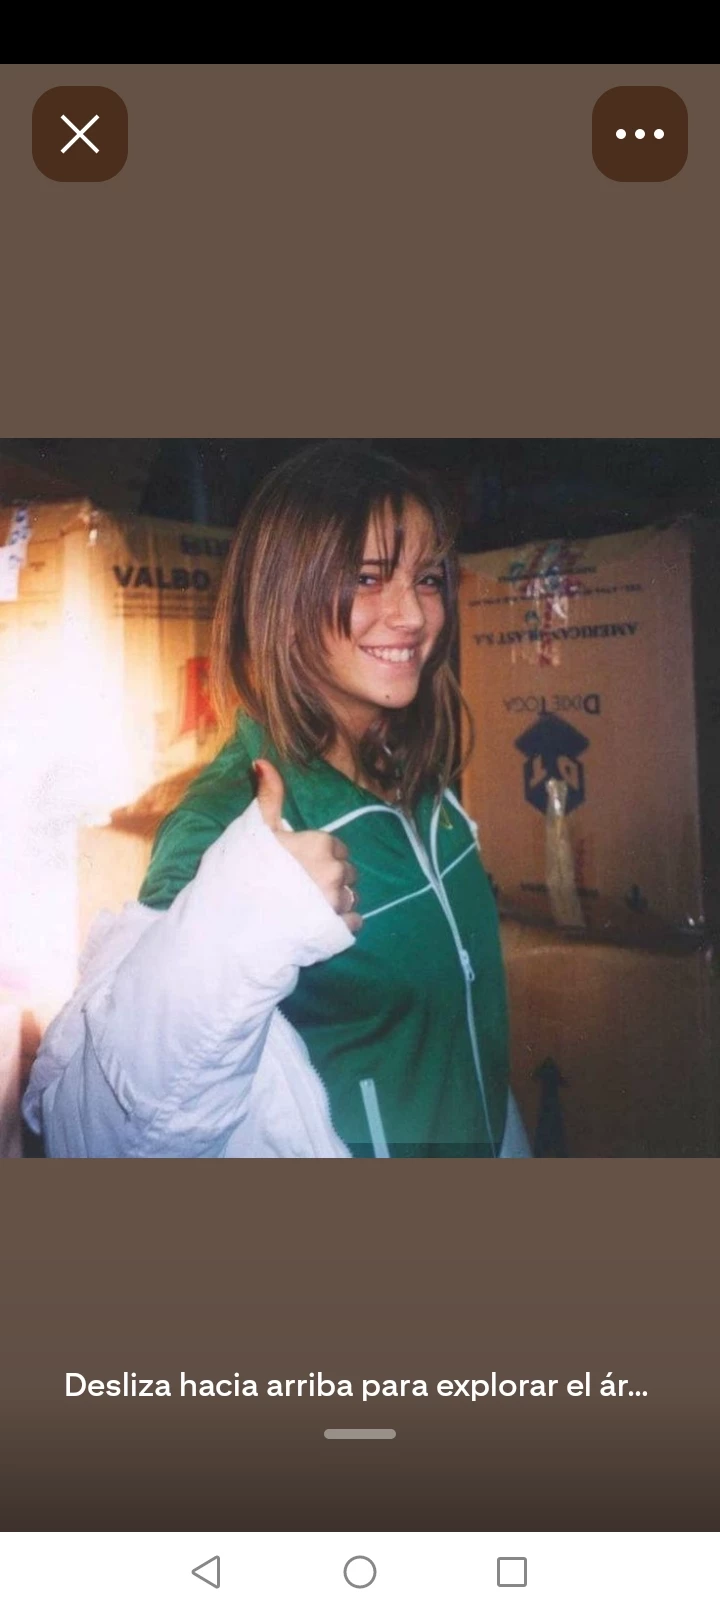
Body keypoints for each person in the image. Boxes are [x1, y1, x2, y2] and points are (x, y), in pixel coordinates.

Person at [23, 441, 531, 1159]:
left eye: (426, 579)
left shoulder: (413, 772)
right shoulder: (231, 821)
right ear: (285, 596)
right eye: (366, 578)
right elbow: (93, 1129)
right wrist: (243, 915)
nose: (413, 615)